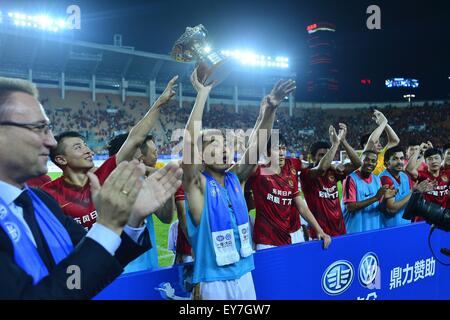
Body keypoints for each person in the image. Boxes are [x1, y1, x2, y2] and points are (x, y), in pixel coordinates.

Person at [0, 77, 183, 299]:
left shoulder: (39, 202)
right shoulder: (50, 195)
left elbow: (80, 268)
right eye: (38, 128)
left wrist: (132, 219)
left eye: (47, 129)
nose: (49, 142)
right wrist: (108, 225)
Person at [182, 68, 295, 300]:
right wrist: (203, 94)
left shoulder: (236, 179)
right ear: (200, 156)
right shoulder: (197, 184)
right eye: (214, 144)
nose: (223, 148)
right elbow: (189, 142)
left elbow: (258, 143)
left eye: (225, 143)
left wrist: (271, 108)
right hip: (213, 283)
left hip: (244, 275)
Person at [43, 76, 178, 230]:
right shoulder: (48, 194)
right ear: (61, 159)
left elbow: (134, 138)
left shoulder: (106, 174)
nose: (88, 151)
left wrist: (159, 102)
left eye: (86, 145)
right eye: (78, 147)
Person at [247, 135, 331, 250]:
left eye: (283, 148)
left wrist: (319, 230)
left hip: (291, 234)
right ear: (266, 153)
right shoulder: (258, 171)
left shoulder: (291, 166)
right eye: (277, 149)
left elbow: (301, 205)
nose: (281, 153)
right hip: (266, 239)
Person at [107, 133, 175, 272]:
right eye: (153, 152)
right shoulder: (107, 184)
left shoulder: (145, 181)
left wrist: (166, 185)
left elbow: (166, 218)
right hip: (123, 270)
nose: (157, 156)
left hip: (148, 264)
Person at [300, 123, 361, 237]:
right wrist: (335, 144)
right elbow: (322, 167)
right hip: (320, 234)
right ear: (313, 157)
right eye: (322, 155)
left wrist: (343, 141)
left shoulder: (333, 172)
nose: (327, 157)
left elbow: (357, 164)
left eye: (329, 154)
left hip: (340, 230)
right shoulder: (306, 174)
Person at [341, 150, 397, 233]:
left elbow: (380, 208)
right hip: (354, 232)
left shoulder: (377, 179)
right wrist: (375, 198)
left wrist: (385, 199)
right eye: (366, 160)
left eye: (373, 161)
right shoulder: (350, 179)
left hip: (373, 230)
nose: (370, 163)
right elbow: (350, 207)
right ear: (361, 161)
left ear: (376, 164)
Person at [379, 146, 435, 227]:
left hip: (405, 224)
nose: (399, 162)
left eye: (401, 158)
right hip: (390, 228)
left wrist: (422, 192)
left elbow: (408, 200)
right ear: (386, 162)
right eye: (395, 159)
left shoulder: (404, 176)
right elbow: (391, 209)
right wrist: (414, 192)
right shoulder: (385, 178)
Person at [406, 147, 450, 216]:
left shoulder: (447, 174)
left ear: (441, 159)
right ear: (425, 161)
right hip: (425, 218)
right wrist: (419, 149)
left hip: (442, 218)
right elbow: (409, 169)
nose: (434, 161)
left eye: (436, 158)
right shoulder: (423, 175)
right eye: (430, 159)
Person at [360, 109, 400, 175]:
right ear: (365, 145)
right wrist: (384, 122)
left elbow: (395, 141)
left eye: (379, 142)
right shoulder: (364, 157)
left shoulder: (382, 154)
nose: (379, 144)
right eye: (376, 142)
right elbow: (371, 141)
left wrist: (385, 124)